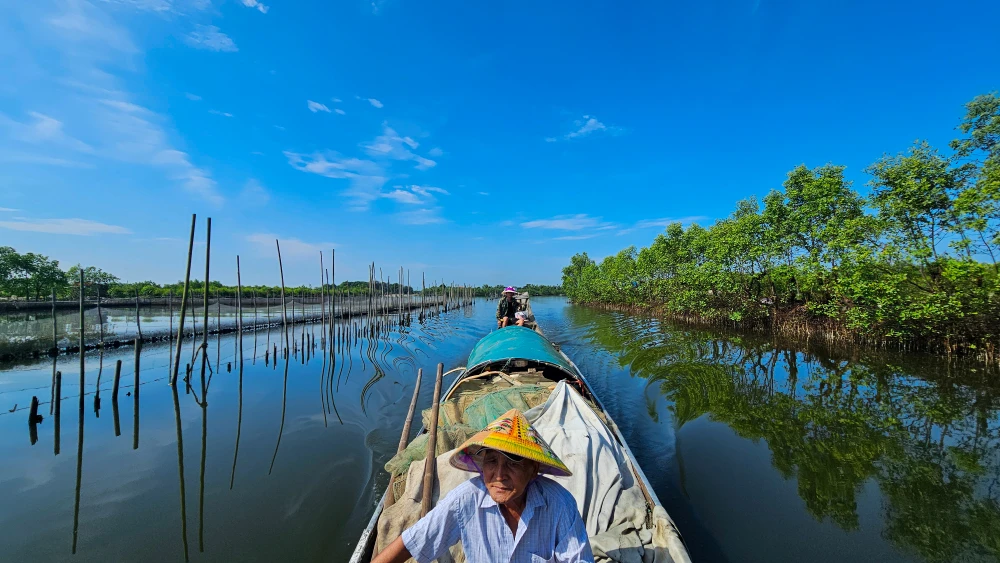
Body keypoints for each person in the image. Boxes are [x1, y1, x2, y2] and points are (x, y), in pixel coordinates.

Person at [372, 409, 594, 563]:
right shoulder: (466, 500)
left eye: (513, 463)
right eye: (491, 461)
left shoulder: (559, 504)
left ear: (533, 469)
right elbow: (412, 542)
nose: (499, 475)